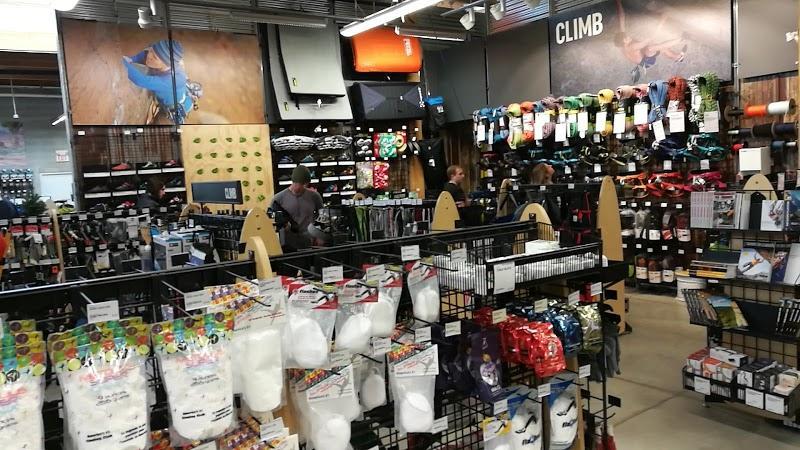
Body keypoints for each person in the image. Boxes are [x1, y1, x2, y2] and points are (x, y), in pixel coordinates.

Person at [122, 39, 199, 124]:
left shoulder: (171, 81)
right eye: (151, 51)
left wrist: (121, 62)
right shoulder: (159, 59)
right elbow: (144, 55)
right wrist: (131, 59)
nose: (149, 56)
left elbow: (141, 80)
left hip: (174, 109)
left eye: (155, 57)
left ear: (166, 64)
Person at [613, 0, 687, 83]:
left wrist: (618, 2)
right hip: (647, 61)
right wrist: (662, 20)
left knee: (660, 48)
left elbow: (621, 17)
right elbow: (651, 37)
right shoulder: (632, 47)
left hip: (642, 53)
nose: (628, 36)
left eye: (626, 36)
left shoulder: (622, 39)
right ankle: (682, 39)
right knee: (651, 48)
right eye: (627, 38)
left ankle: (677, 57)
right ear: (625, 43)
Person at [271, 166, 323, 252]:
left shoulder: (314, 196)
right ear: (293, 182)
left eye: (305, 184)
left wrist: (320, 235)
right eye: (300, 183)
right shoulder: (278, 198)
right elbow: (271, 221)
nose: (303, 186)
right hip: (287, 242)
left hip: (309, 240)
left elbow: (322, 216)